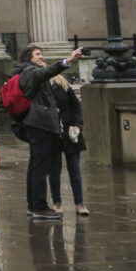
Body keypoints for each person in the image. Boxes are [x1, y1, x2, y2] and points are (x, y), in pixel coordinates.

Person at [16, 44, 85, 220]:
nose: (41, 57)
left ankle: (33, 206)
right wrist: (68, 60)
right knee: (41, 167)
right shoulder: (31, 72)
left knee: (36, 166)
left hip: (40, 124)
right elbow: (46, 72)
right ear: (28, 58)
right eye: (38, 54)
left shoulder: (28, 72)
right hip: (40, 125)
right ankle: (39, 206)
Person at [49, 73, 89, 216]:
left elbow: (76, 106)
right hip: (52, 132)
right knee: (54, 170)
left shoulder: (63, 84)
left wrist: (78, 125)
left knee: (75, 170)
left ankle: (79, 203)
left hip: (70, 132)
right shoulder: (40, 86)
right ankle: (57, 202)